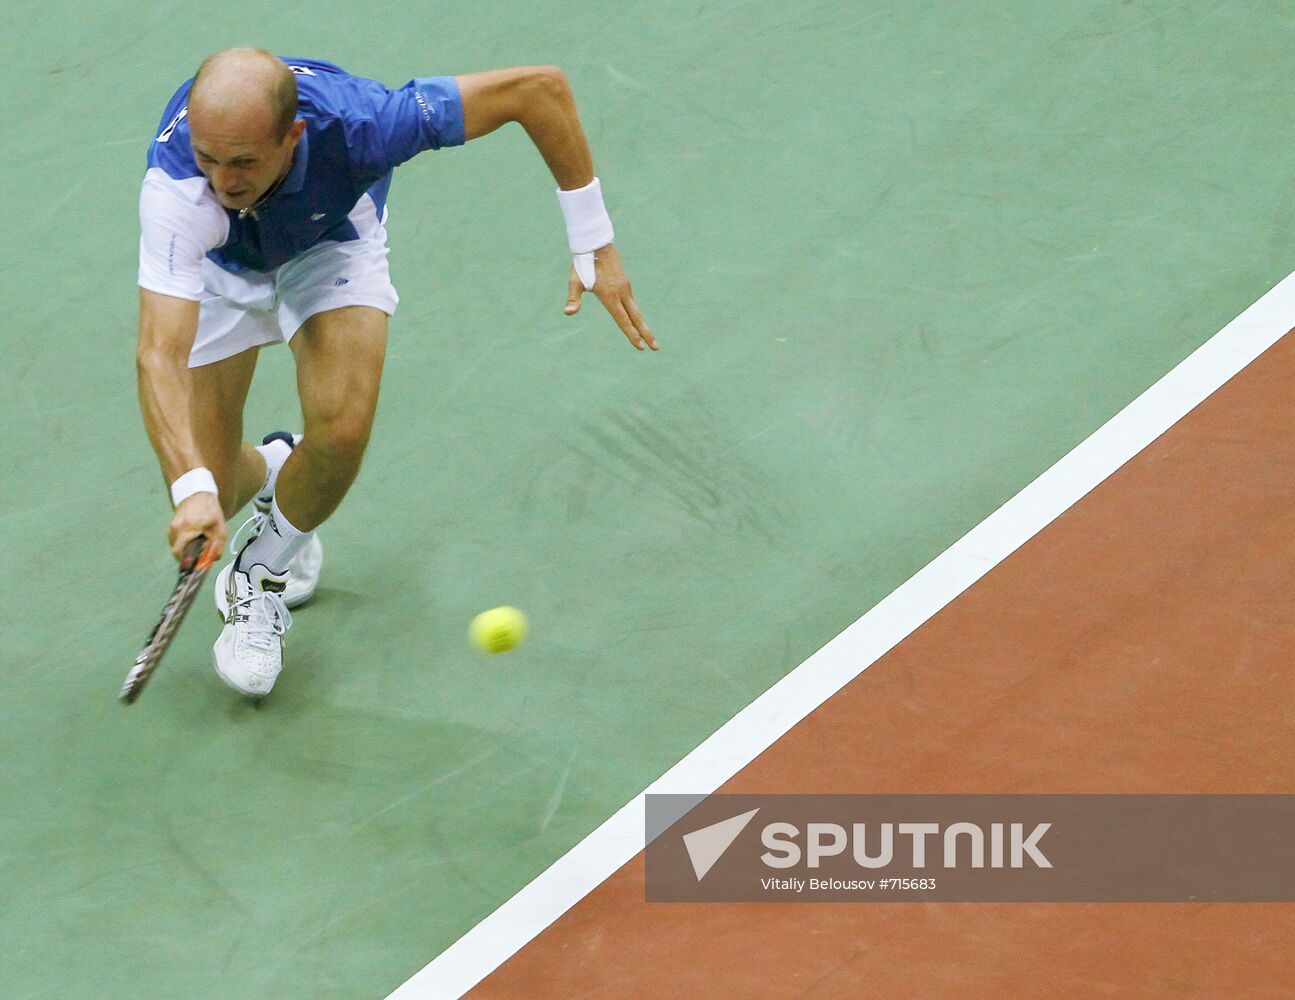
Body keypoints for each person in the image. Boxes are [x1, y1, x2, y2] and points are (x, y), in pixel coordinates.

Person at [137, 49, 656, 698]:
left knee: (343, 429)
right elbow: (157, 352)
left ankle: (260, 572)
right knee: (211, 483)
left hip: (327, 236)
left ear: (292, 136)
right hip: (220, 264)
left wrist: (593, 241)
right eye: (209, 156)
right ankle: (278, 469)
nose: (223, 180)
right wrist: (191, 490)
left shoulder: (365, 125)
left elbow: (537, 90)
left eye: (243, 162)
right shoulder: (179, 191)